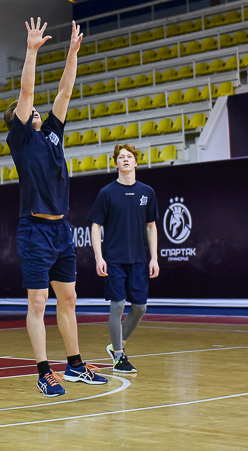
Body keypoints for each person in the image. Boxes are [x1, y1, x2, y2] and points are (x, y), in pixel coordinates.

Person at [4, 17, 107, 397]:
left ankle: (75, 365)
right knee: (38, 301)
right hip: (34, 230)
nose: (33, 110)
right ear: (16, 120)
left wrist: (72, 54)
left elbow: (65, 90)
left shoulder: (50, 133)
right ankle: (44, 371)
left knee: (69, 298)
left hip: (61, 229)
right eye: (26, 110)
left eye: (33, 110)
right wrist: (31, 51)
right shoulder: (20, 140)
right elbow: (27, 90)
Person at [88, 143, 159, 374]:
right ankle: (119, 357)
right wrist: (99, 257)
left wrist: (154, 258)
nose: (125, 159)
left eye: (129, 156)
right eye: (121, 157)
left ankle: (116, 345)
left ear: (136, 162)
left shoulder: (147, 192)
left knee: (140, 307)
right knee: (117, 305)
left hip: (138, 260)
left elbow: (151, 226)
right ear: (116, 163)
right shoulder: (106, 193)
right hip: (114, 259)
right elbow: (96, 226)